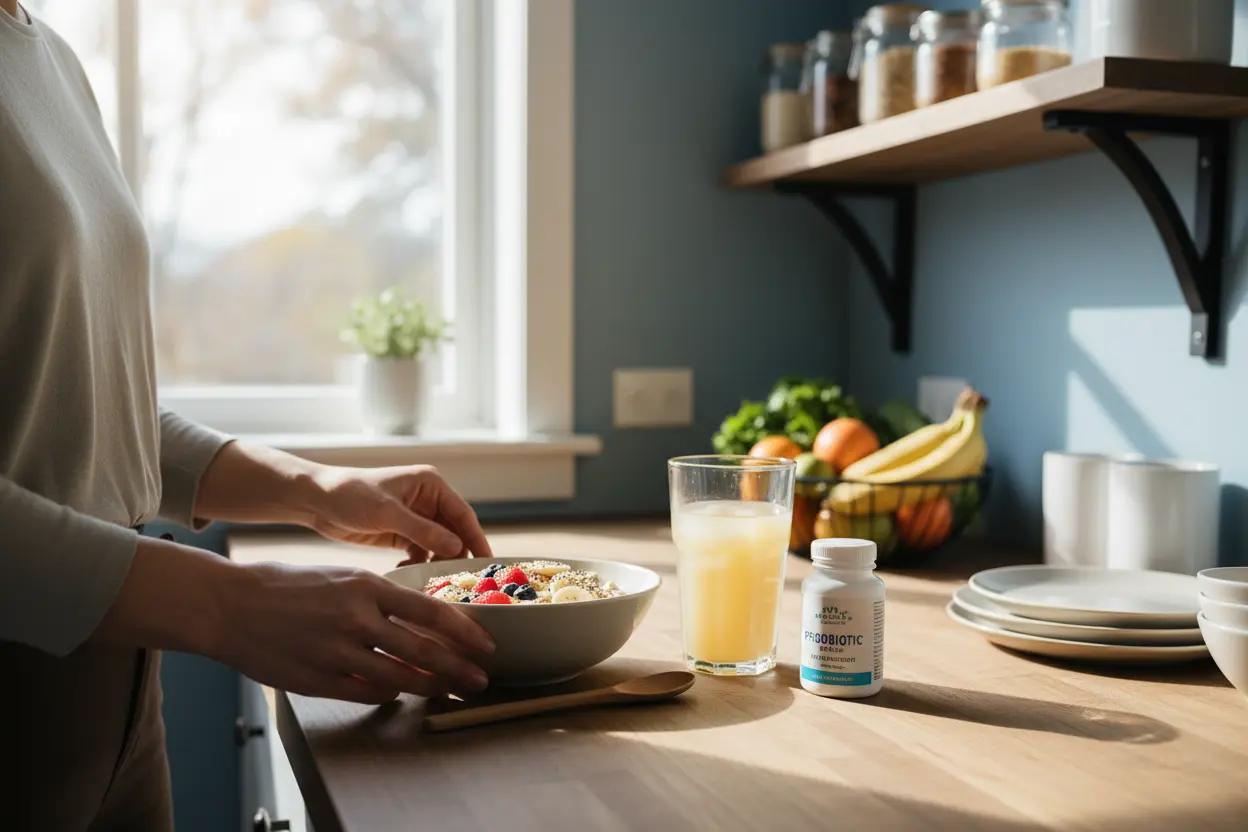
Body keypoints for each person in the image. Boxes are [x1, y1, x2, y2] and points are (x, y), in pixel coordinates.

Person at [0, 4, 496, 829]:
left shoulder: (45, 53)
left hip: (117, 689)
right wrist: (227, 604)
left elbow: (84, 403)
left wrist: (318, 488)